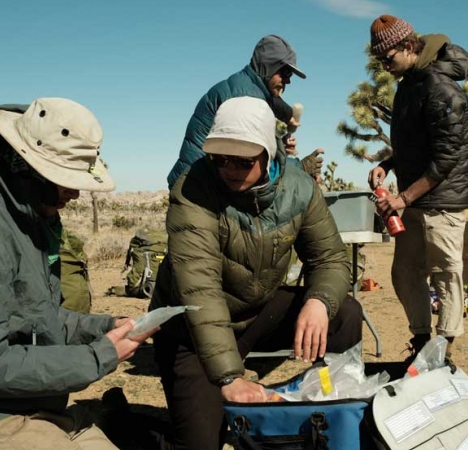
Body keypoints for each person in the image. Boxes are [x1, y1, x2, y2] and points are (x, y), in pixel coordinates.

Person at [0, 98, 158, 449]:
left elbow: (38, 317)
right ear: (27, 169)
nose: (74, 193)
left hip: (38, 409)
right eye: (65, 181)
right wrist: (98, 355)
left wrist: (106, 326)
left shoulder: (26, 223)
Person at [151, 97, 363, 450]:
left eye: (242, 160)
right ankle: (123, 422)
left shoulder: (298, 188)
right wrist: (230, 377)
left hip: (256, 312)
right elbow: (200, 289)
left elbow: (330, 258)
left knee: (345, 311)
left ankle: (334, 407)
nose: (229, 169)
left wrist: (318, 302)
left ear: (267, 154)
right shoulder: (192, 191)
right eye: (220, 158)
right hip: (190, 330)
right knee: (201, 444)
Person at [365, 14, 468, 363]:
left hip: (442, 201)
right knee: (404, 272)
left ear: (409, 47)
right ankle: (421, 342)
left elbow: (445, 159)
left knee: (446, 275)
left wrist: (403, 198)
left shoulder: (442, 90)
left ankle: (444, 351)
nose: (385, 65)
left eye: (389, 58)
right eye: (380, 60)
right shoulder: (408, 84)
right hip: (413, 200)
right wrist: (388, 163)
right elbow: (414, 145)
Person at [166, 34, 323, 189]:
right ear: (268, 67)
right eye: (285, 73)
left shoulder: (244, 85)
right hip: (199, 191)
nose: (288, 80)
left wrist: (279, 144)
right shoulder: (247, 101)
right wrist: (301, 167)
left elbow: (275, 105)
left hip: (193, 182)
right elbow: (249, 167)